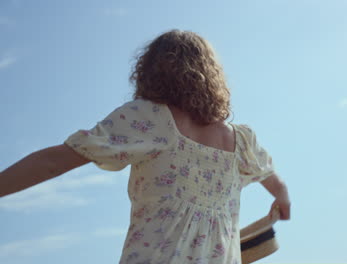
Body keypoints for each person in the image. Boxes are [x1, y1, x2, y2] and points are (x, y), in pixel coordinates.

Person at [0, 29, 290, 264]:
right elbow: (275, 181)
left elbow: (54, 161)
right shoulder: (242, 141)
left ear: (150, 73)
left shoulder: (150, 119)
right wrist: (282, 200)